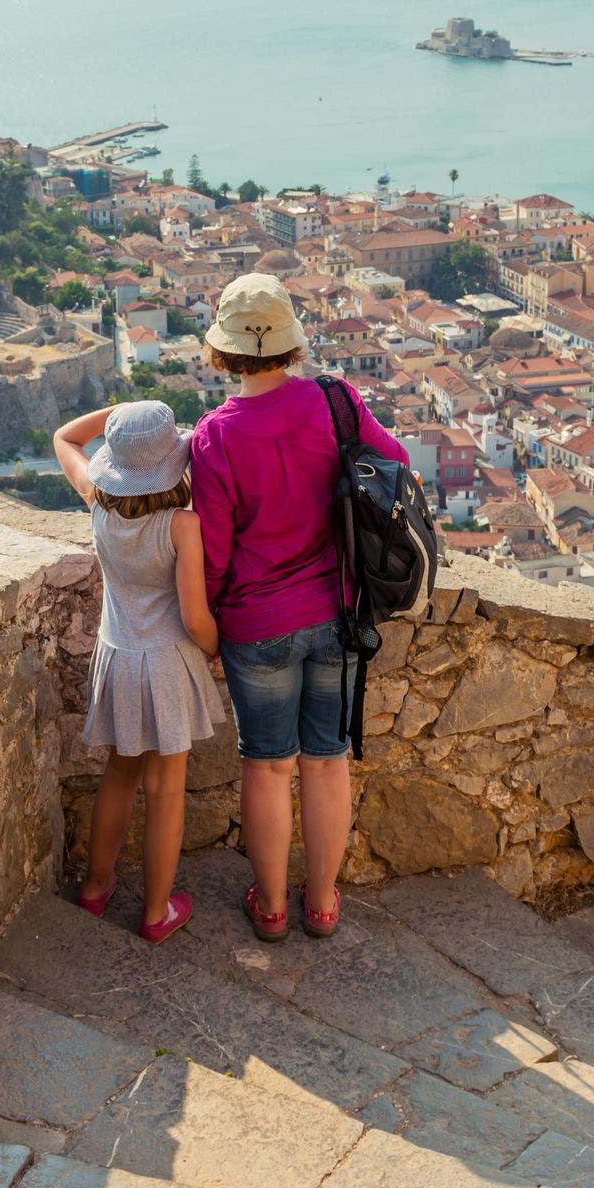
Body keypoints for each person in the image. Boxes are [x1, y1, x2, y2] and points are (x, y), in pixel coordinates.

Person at [188, 273, 408, 941]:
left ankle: (274, 908)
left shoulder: (214, 436)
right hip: (339, 611)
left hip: (257, 623)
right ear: (289, 343)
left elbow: (215, 554)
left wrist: (215, 623)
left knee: (268, 763)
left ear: (223, 353)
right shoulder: (334, 401)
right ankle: (321, 902)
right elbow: (393, 464)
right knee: (326, 758)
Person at [50, 397, 219, 942]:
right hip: (168, 662)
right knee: (166, 789)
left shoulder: (95, 503)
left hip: (118, 655)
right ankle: (155, 913)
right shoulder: (181, 526)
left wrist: (115, 415)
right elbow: (194, 616)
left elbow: (64, 439)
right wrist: (217, 649)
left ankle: (96, 888)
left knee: (119, 775)